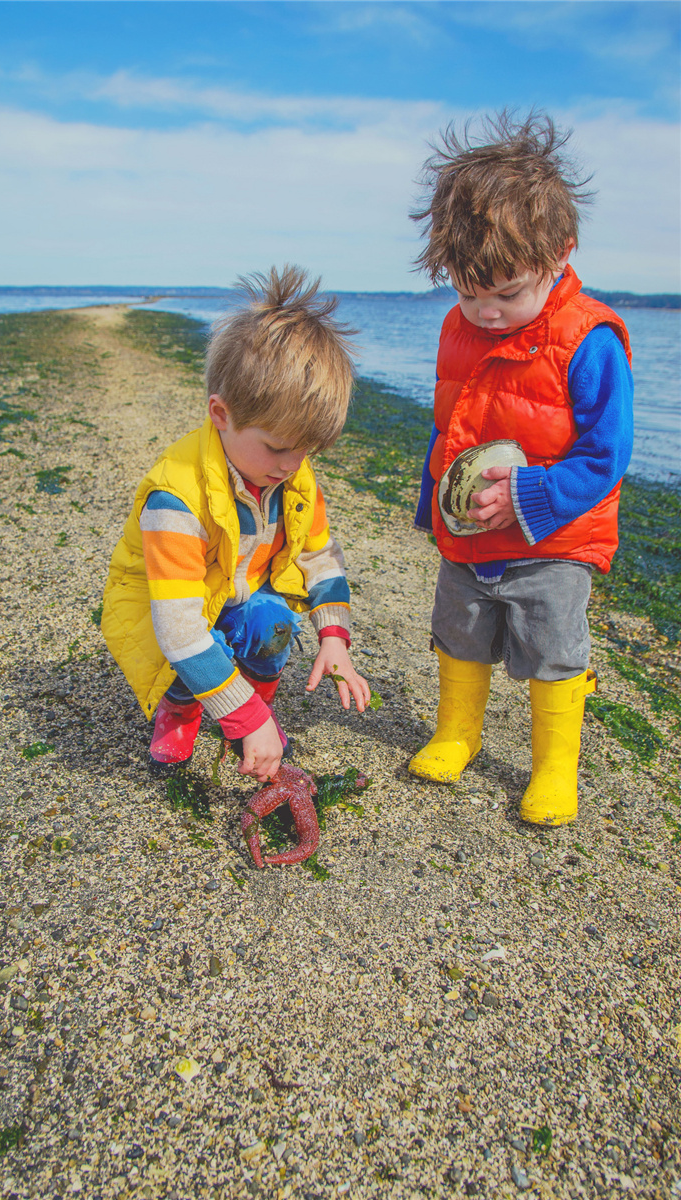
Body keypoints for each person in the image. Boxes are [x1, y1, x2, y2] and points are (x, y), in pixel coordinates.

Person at [407, 111, 633, 826]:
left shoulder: (587, 339)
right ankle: (455, 734)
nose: (488, 311)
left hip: (554, 540)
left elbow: (606, 455)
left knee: (553, 651)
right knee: (460, 632)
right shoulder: (456, 327)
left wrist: (531, 494)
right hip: (469, 535)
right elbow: (449, 424)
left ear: (560, 254)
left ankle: (553, 770)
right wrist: (431, 504)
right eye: (469, 292)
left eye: (507, 293)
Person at [101, 265, 371, 783]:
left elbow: (319, 555)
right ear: (221, 414)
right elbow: (179, 627)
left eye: (306, 450)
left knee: (274, 622)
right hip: (169, 608)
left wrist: (334, 637)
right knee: (185, 649)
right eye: (278, 447)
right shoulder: (175, 500)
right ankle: (184, 709)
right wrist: (246, 718)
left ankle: (252, 707)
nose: (293, 464)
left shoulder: (292, 473)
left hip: (242, 592)